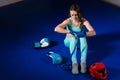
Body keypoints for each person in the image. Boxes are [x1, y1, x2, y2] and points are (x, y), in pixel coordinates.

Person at [54, 4, 96, 74]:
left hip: (80, 44)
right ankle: (74, 63)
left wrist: (84, 34)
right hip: (69, 42)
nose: (74, 17)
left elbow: (93, 32)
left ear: (80, 14)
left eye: (76, 15)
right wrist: (69, 31)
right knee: (73, 38)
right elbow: (56, 29)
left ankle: (83, 63)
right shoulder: (68, 21)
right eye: (72, 15)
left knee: (83, 38)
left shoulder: (84, 21)